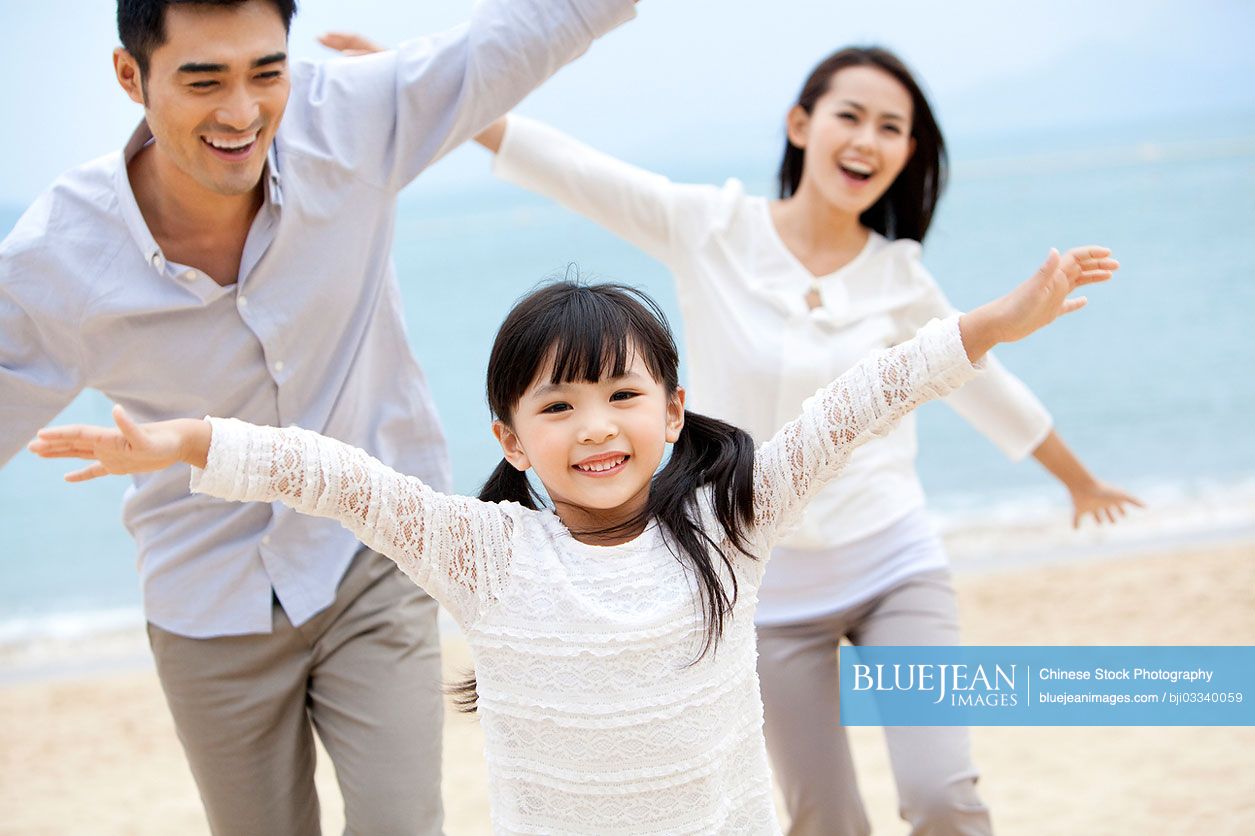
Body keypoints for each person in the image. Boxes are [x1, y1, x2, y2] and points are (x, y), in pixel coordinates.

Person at [320, 36, 1143, 834]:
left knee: (941, 797)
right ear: (800, 125)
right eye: (849, 116)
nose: (866, 140)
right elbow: (576, 173)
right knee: (822, 818)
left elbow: (973, 382)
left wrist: (1077, 479)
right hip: (765, 574)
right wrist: (432, 94)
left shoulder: (899, 276)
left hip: (889, 554)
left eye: (892, 129)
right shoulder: (708, 226)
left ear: (908, 154)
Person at [30, 252, 1116, 834]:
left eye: (621, 393)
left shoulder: (731, 520)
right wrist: (183, 439)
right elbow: (330, 474)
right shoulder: (484, 552)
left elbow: (859, 398)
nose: (595, 425)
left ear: (675, 407)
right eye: (557, 406)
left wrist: (989, 326)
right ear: (509, 435)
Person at [0, 0, 637, 833]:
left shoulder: (350, 121)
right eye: (203, 80)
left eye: (266, 72)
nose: (242, 111)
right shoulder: (61, 256)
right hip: (207, 597)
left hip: (373, 557)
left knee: (402, 823)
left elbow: (520, 35)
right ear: (132, 77)